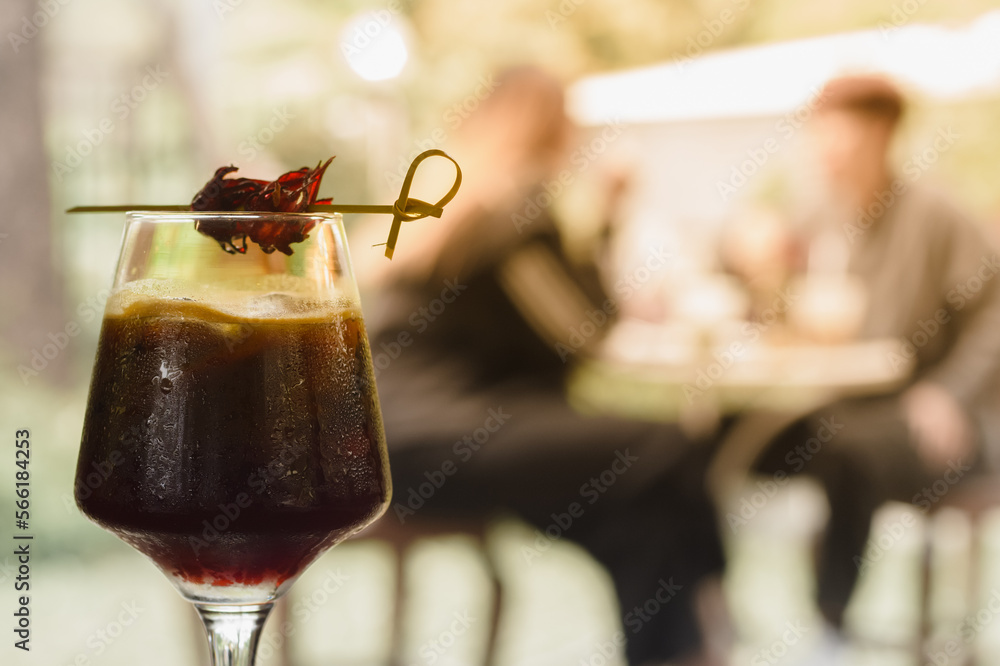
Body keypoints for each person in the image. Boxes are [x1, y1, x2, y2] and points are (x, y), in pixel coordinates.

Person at [360, 66, 727, 666]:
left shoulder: (456, 206)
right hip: (433, 435)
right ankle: (715, 618)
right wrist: (610, 217)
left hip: (392, 437)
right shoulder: (513, 214)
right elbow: (584, 332)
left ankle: (689, 650)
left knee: (641, 514)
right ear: (550, 128)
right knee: (668, 444)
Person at [753, 74, 1000, 630]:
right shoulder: (820, 213)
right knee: (727, 443)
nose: (828, 149)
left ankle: (830, 621)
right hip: (850, 406)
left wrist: (948, 393)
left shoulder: (936, 213)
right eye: (820, 133)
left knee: (845, 456)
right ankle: (703, 614)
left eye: (842, 134)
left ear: (883, 134)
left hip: (939, 420)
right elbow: (775, 289)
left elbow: (994, 315)